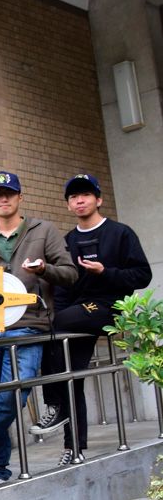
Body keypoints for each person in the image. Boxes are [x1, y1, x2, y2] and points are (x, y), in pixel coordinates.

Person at [30, 174, 151, 464]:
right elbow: (62, 283)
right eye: (73, 197)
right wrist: (55, 313)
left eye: (85, 194)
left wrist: (104, 272)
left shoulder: (121, 233)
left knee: (56, 328)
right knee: (72, 377)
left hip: (109, 308)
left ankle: (55, 405)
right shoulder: (68, 240)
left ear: (99, 199)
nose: (79, 200)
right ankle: (74, 449)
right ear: (69, 204)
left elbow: (142, 275)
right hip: (75, 315)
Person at [0, 171, 77, 483]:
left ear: (20, 197)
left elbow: (70, 273)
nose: (4, 199)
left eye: (10, 193)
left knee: (12, 396)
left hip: (30, 326)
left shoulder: (43, 230)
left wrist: (45, 269)